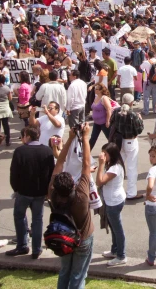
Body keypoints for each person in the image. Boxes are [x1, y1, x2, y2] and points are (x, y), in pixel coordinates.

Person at [49, 123, 95, 289]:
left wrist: (69, 140)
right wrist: (85, 137)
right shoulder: (81, 196)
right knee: (78, 276)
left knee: (65, 271)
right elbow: (87, 165)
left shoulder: (52, 194)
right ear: (73, 185)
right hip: (83, 238)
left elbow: (59, 164)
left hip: (63, 236)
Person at [6, 125, 55, 259]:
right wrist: (47, 191)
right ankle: (36, 249)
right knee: (37, 220)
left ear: (27, 136)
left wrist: (16, 189)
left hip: (23, 191)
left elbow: (14, 173)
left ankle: (22, 246)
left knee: (19, 216)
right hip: (40, 193)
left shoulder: (20, 151)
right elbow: (52, 173)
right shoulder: (47, 151)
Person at [96, 142, 127, 267]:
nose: (102, 155)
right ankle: (115, 250)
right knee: (114, 228)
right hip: (111, 200)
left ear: (112, 155)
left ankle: (121, 255)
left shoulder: (115, 168)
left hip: (114, 202)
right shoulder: (112, 165)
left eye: (105, 153)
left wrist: (101, 164)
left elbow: (99, 181)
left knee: (117, 229)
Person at [111, 93, 144, 199]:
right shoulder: (132, 114)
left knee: (119, 166)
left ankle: (116, 190)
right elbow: (139, 130)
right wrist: (140, 119)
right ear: (131, 102)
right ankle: (131, 193)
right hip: (130, 142)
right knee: (131, 168)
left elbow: (112, 123)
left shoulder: (116, 111)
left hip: (119, 141)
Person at [88, 83, 112, 150]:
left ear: (101, 90)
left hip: (104, 122)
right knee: (93, 138)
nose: (95, 90)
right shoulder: (96, 97)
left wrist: (107, 121)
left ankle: (114, 152)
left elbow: (109, 109)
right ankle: (86, 153)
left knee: (110, 138)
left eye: (96, 89)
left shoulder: (104, 98)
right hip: (96, 122)